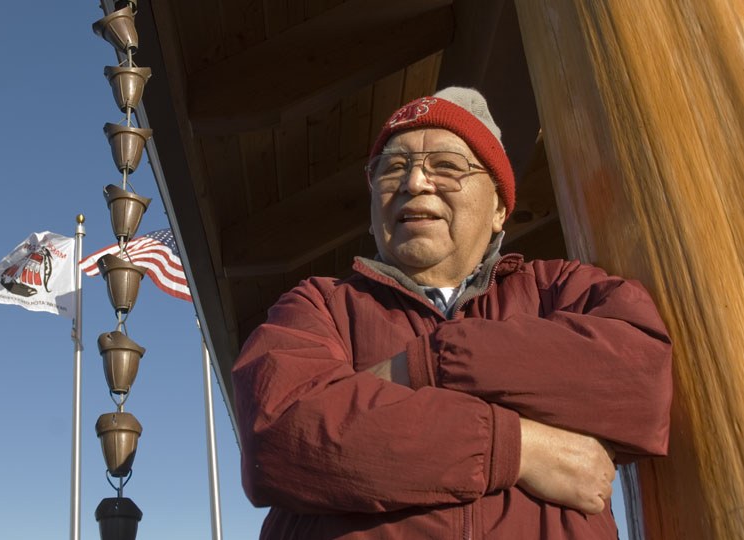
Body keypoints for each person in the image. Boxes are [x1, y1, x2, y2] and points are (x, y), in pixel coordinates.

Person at [231, 87, 672, 539]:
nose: (414, 183)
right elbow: (284, 435)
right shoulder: (315, 306)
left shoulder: (561, 289)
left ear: (500, 207)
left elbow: (640, 382)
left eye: (446, 166)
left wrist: (428, 364)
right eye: (392, 170)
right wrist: (517, 449)